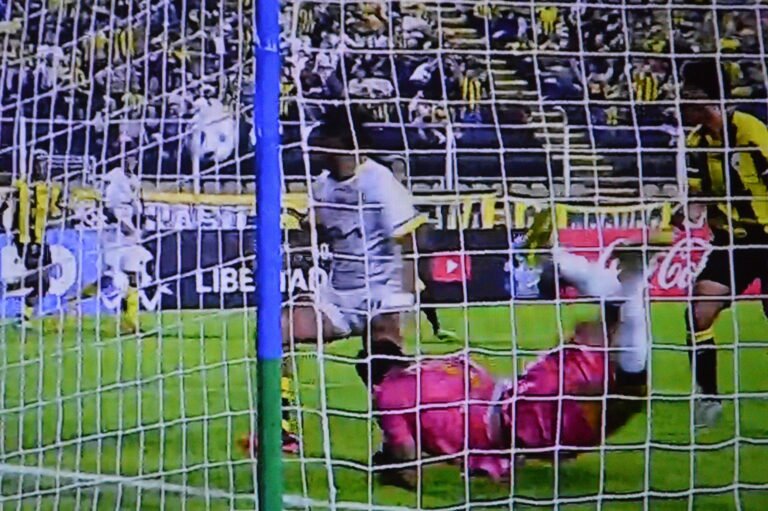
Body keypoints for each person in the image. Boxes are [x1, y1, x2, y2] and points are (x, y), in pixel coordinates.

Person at [355, 248, 648, 488]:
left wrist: (389, 464)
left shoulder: (388, 396)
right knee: (608, 348)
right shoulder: (435, 365)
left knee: (627, 393)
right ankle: (588, 273)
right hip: (520, 393)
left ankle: (626, 286)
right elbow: (477, 382)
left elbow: (409, 471)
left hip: (524, 422)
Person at [279, 107, 431, 452]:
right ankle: (280, 430)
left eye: (323, 139)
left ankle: (404, 441)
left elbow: (411, 239)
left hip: (381, 292)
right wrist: (300, 227)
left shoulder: (380, 182)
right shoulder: (322, 186)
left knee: (380, 365)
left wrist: (402, 299)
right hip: (340, 296)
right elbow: (321, 229)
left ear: (342, 143)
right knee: (277, 330)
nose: (315, 147)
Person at [676, 59, 768, 428]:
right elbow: (697, 198)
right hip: (732, 245)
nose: (681, 102)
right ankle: (709, 400)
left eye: (687, 95)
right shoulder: (696, 143)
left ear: (705, 98)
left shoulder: (749, 131)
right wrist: (677, 220)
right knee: (698, 313)